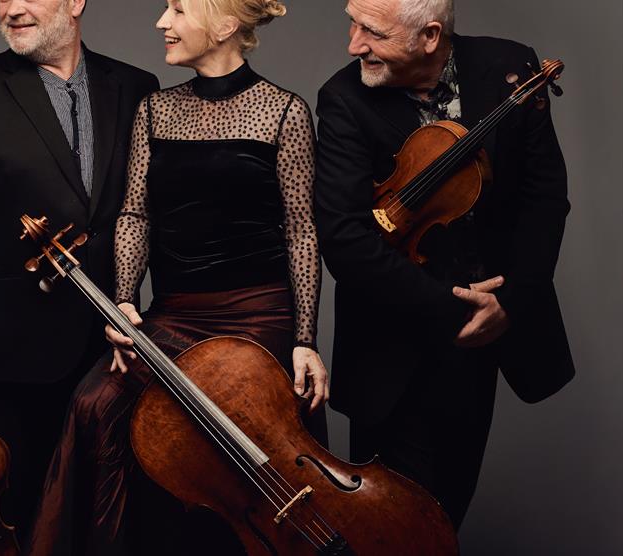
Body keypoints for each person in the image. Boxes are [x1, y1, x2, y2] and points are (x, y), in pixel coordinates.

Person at [29, 0, 329, 553]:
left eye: (179, 9)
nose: (162, 22)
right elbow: (135, 214)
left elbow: (301, 231)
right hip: (175, 315)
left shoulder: (284, 112)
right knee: (96, 404)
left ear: (225, 25)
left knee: (238, 448)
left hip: (257, 320)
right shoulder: (155, 111)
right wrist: (122, 302)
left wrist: (306, 340)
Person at [314, 0, 574, 529]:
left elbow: (544, 199)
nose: (353, 44)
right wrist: (456, 309)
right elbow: (345, 239)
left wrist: (509, 301)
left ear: (430, 36)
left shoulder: (510, 70)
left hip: (478, 347)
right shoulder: (343, 97)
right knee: (385, 529)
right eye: (353, 22)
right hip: (390, 350)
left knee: (445, 514)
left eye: (373, 31)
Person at [0, 0, 159, 543]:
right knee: (26, 520)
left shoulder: (138, 86)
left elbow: (146, 213)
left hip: (115, 347)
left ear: (75, 3)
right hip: (13, 349)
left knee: (112, 523)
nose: (13, 8)